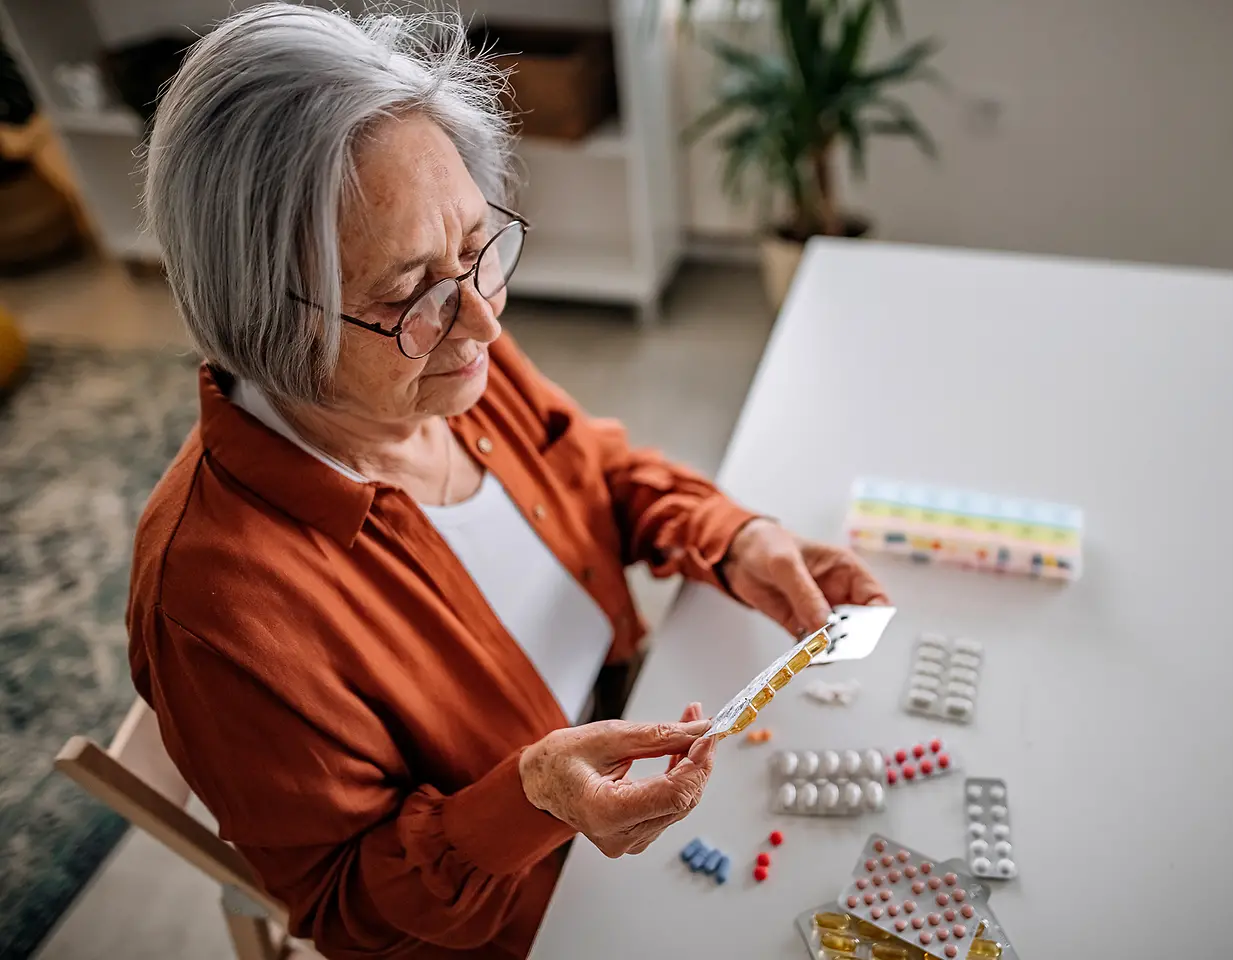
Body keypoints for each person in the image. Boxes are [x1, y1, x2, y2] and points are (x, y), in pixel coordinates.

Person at [128, 6, 888, 958]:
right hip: (535, 913)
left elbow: (595, 470)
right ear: (259, 316)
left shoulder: (445, 352)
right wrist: (530, 803)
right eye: (407, 293)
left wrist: (733, 537)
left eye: (479, 247)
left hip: (637, 736)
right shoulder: (215, 606)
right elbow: (350, 913)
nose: (484, 323)